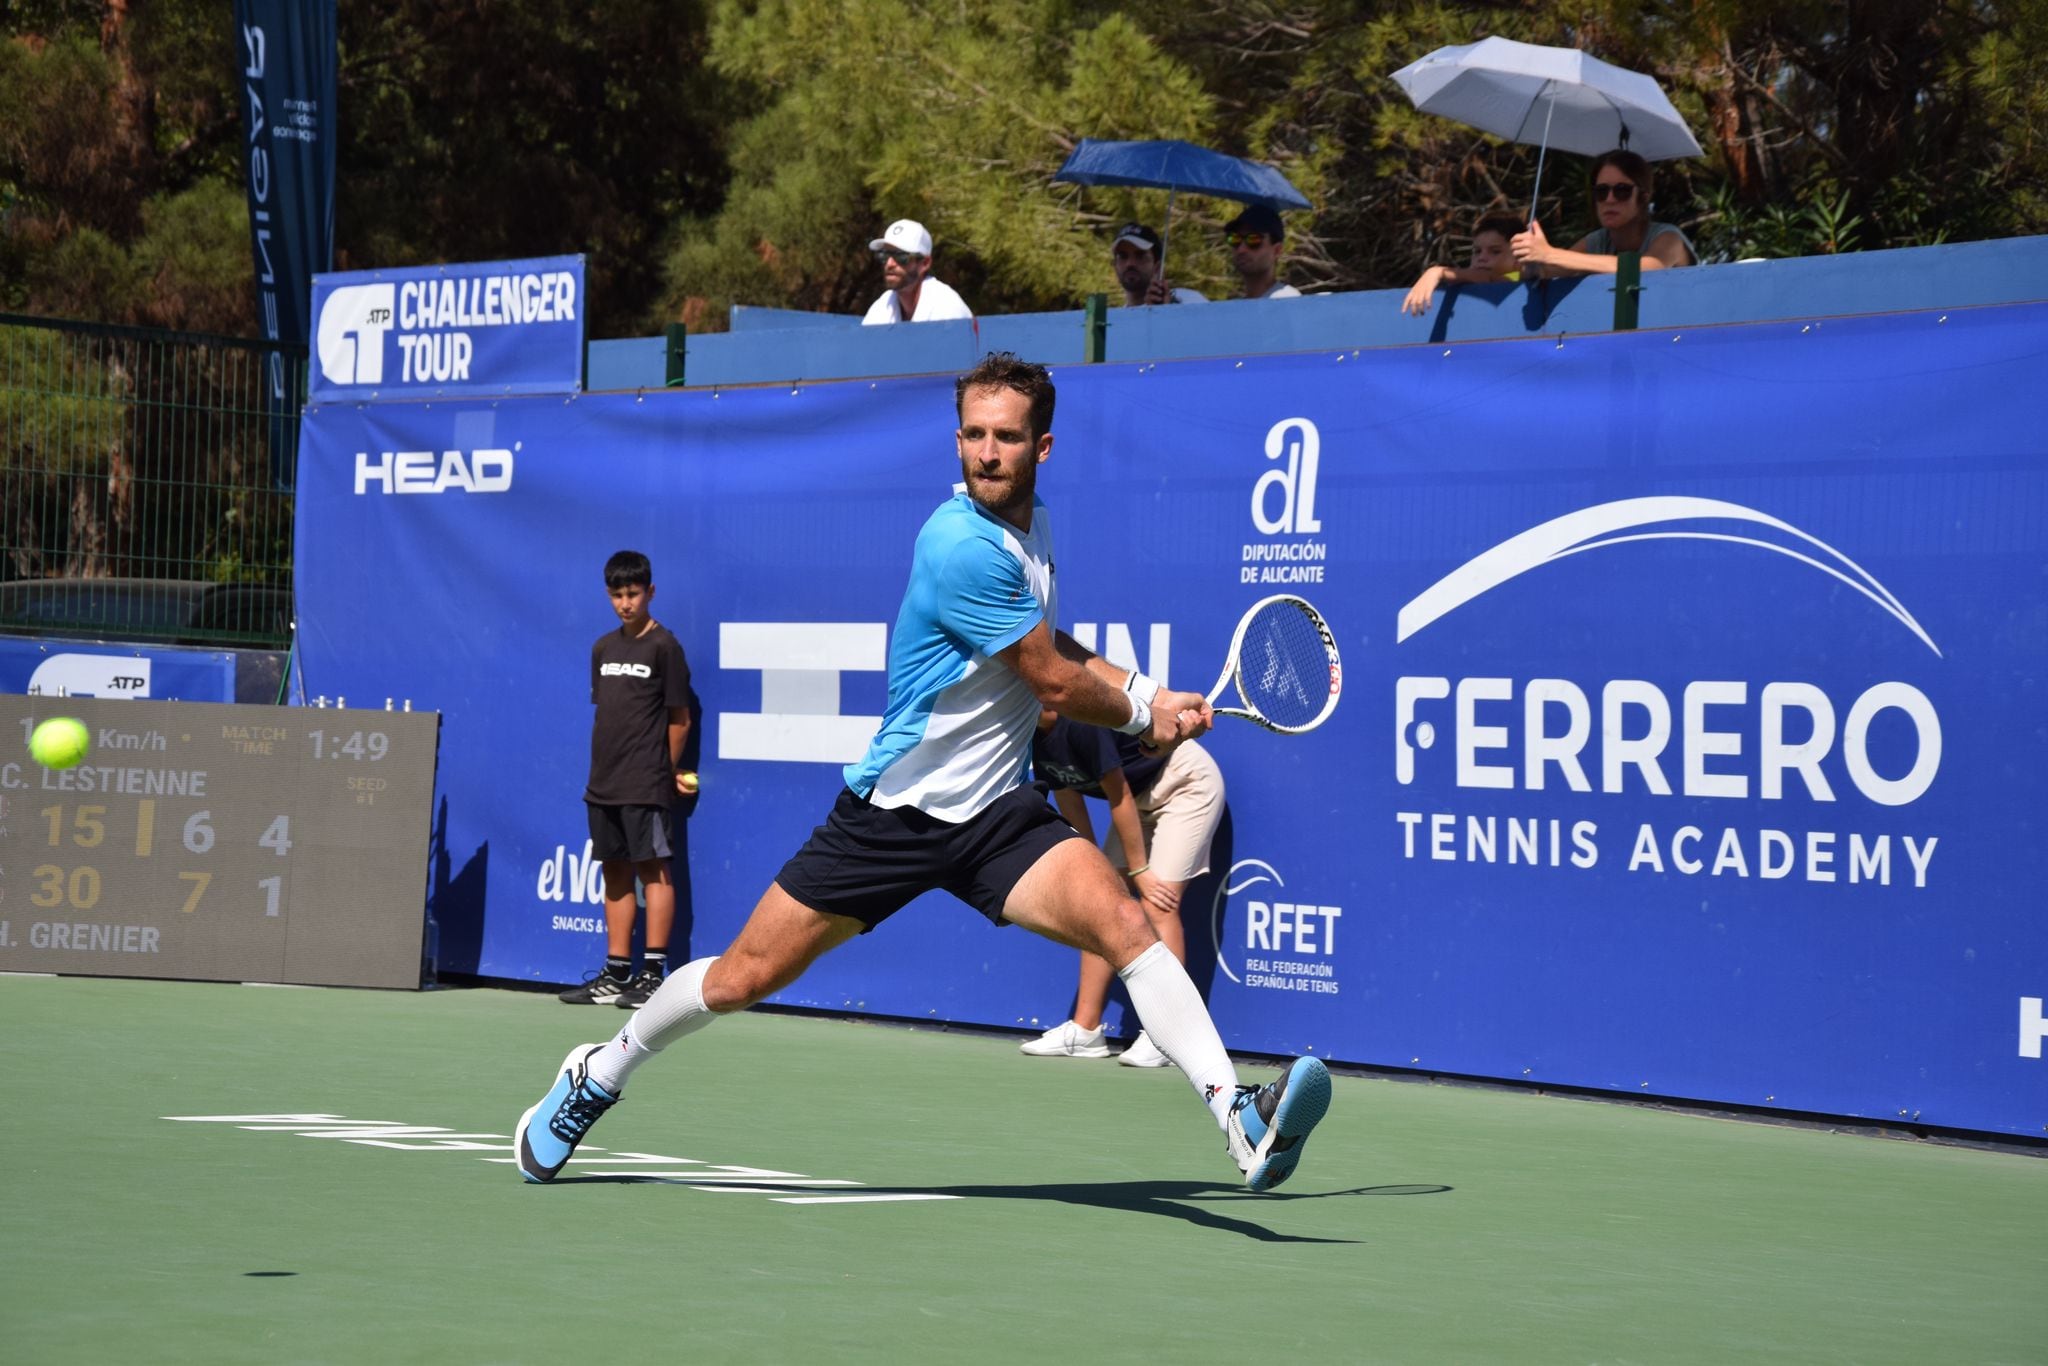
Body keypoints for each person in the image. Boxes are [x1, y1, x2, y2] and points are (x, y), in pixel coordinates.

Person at [517, 354, 1331, 1194]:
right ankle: (599, 1073)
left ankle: (1241, 1118)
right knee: (740, 978)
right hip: (891, 819)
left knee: (1125, 925)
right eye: (973, 435)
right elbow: (1048, 680)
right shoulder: (959, 545)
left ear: (1041, 446)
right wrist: (1139, 717)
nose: (986, 452)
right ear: (957, 440)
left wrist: (1151, 691)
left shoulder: (1034, 527)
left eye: (1006, 437)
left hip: (996, 821)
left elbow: (1054, 645)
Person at [1019, 709, 1224, 1068]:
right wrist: (1088, 866)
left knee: (1159, 903)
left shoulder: (1082, 723)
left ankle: (1169, 1039)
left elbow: (1119, 797)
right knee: (1100, 902)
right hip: (1135, 797)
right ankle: (1085, 1032)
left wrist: (1141, 869)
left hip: (1182, 783)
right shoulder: (1036, 739)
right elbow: (1070, 802)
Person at [558, 551, 697, 1010]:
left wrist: (665, 768)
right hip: (604, 781)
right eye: (617, 595)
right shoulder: (603, 648)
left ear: (650, 592)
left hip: (646, 780)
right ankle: (617, 972)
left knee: (653, 872)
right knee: (613, 872)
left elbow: (679, 719)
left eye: (633, 593)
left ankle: (654, 973)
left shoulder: (665, 647)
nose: (625, 603)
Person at [1510, 150, 1698, 280]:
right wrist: (1533, 263)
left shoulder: (1669, 238)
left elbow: (1649, 268)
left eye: (1622, 191)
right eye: (1601, 191)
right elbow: (1551, 270)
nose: (1609, 199)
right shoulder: (1597, 241)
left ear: (1643, 197)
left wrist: (1549, 254)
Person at [1401, 213, 1524, 317]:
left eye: (1495, 251)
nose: (1482, 257)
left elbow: (1488, 277)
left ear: (1518, 259)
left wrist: (1437, 272)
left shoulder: (1516, 278)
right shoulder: (1467, 281)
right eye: (1477, 251)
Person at [861, 218, 974, 325]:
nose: (889, 264)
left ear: (925, 263)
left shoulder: (946, 308)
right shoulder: (883, 306)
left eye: (901, 256)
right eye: (885, 255)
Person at [1109, 222, 1206, 306]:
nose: (1130, 263)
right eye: (1123, 256)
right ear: (1114, 266)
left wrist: (1170, 307)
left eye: (1140, 255)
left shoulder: (1188, 299)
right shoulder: (1114, 322)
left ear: (1157, 267)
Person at [1224, 203, 1302, 300]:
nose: (1241, 249)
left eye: (1253, 240)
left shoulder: (1287, 300)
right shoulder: (1237, 308)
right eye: (1235, 239)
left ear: (1277, 250)